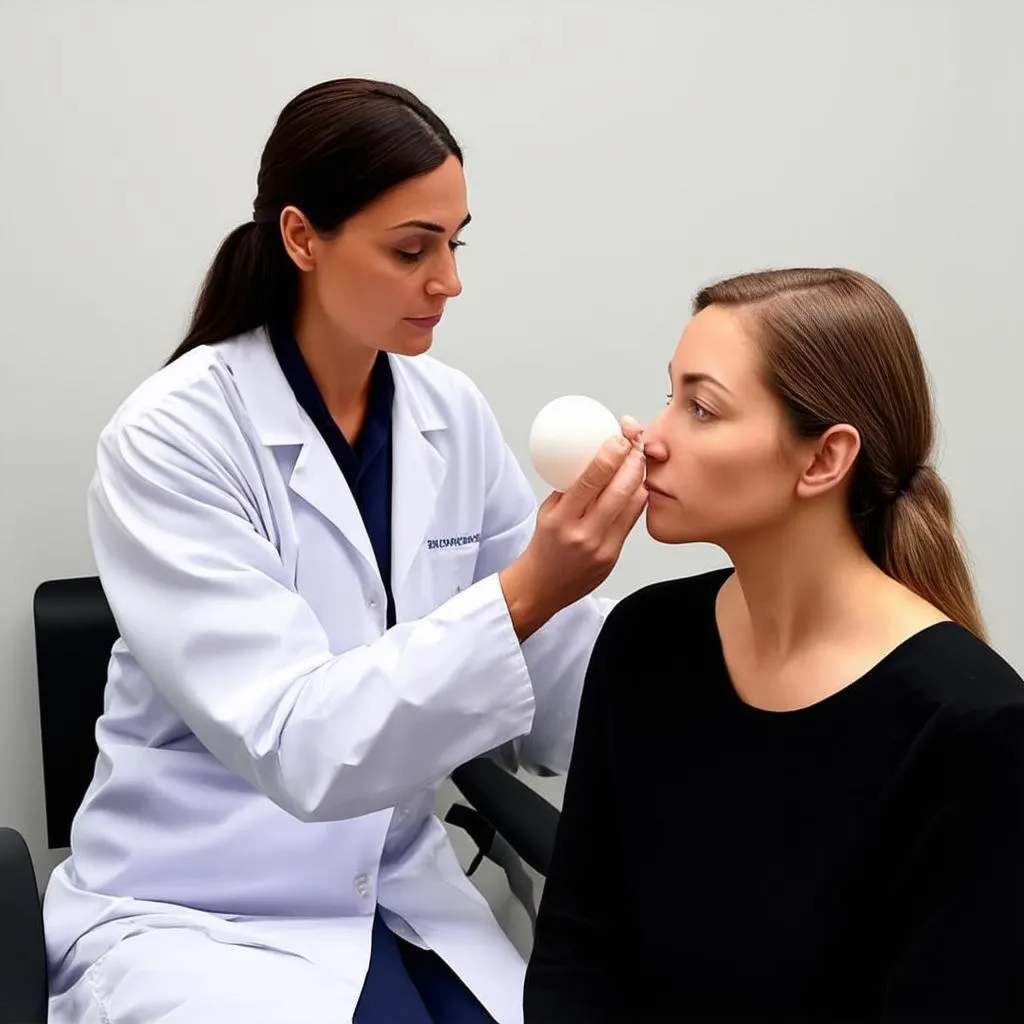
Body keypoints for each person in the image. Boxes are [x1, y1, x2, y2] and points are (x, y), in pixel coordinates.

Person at [42, 78, 648, 1024]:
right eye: (412, 249)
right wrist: (534, 585)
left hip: (398, 884)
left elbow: (545, 663)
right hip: (205, 909)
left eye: (455, 243)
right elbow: (299, 742)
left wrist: (731, 669)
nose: (448, 280)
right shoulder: (171, 437)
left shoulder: (449, 414)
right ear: (301, 239)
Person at [523, 267, 1024, 1022]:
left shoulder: (974, 727)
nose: (647, 438)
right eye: (669, 396)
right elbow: (577, 946)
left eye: (701, 407)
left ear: (823, 458)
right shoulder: (643, 641)